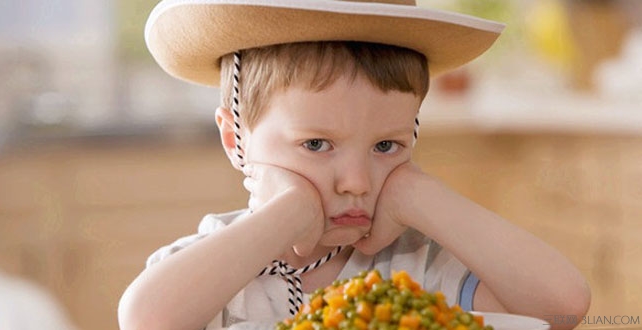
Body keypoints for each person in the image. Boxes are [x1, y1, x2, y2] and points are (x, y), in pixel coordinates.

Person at [118, 1, 591, 329]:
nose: (357, 183)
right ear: (234, 138)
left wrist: (415, 193)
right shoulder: (211, 267)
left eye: (386, 146)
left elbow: (563, 310)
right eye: (317, 144)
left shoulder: (418, 270)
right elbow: (145, 321)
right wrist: (289, 210)